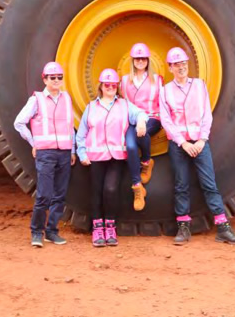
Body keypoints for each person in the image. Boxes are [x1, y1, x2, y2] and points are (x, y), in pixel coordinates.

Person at [159, 47, 235, 246]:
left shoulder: (199, 86)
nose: (181, 67)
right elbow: (166, 120)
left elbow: (207, 114)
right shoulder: (165, 91)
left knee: (209, 184)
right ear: (170, 67)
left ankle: (223, 227)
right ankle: (183, 226)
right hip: (179, 145)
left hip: (199, 142)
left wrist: (201, 140)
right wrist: (182, 142)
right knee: (181, 185)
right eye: (177, 64)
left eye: (183, 63)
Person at [76, 68, 148, 247]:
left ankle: (110, 226)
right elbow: (81, 134)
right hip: (95, 157)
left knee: (110, 189)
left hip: (116, 157)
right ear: (101, 86)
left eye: (113, 85)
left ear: (117, 86)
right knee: (96, 192)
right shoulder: (91, 107)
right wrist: (82, 153)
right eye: (107, 84)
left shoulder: (124, 105)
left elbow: (141, 113)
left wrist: (140, 121)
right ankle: (97, 229)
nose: (110, 87)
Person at [13, 61, 76, 248]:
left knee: (60, 195)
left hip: (64, 152)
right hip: (46, 153)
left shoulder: (66, 98)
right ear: (45, 79)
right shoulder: (37, 99)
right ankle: (36, 232)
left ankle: (52, 231)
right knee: (44, 195)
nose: (56, 81)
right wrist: (34, 143)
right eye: (52, 77)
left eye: (59, 77)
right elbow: (19, 123)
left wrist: (72, 150)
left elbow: (70, 126)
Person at [120, 42, 163, 211]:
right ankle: (137, 187)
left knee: (141, 131)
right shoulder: (124, 81)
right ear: (133, 60)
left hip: (153, 117)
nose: (140, 61)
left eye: (143, 58)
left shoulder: (157, 80)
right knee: (130, 146)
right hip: (132, 120)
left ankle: (146, 160)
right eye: (137, 58)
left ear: (147, 60)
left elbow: (163, 103)